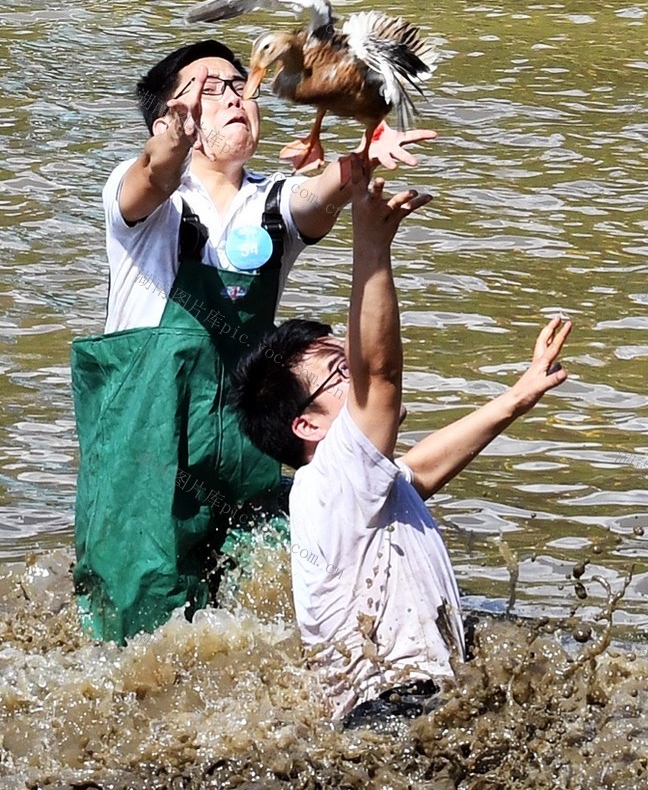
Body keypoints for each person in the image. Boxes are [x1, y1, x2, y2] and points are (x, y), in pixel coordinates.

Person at [71, 38, 435, 644]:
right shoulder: (144, 203)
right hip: (145, 450)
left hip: (245, 453)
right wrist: (172, 139)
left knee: (253, 618)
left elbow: (319, 194)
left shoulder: (272, 201)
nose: (235, 94)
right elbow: (153, 172)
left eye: (240, 84)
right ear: (168, 114)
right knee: (129, 629)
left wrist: (366, 152)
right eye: (209, 87)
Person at [230, 159, 572, 723]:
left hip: (397, 714)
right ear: (308, 425)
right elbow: (382, 375)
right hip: (395, 713)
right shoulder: (331, 475)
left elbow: (421, 470)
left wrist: (517, 397)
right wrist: (370, 243)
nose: (359, 377)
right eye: (344, 372)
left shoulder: (353, 489)